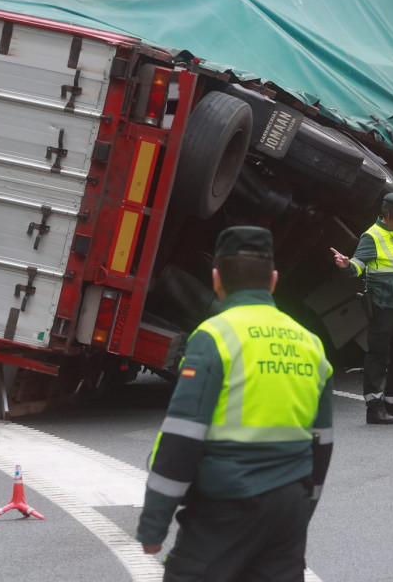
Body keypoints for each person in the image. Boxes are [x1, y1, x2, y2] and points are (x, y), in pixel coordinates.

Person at [136, 226, 334, 582]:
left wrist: (154, 524)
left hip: (225, 505)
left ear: (216, 279)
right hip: (288, 510)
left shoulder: (214, 337)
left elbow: (182, 436)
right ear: (273, 280)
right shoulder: (311, 344)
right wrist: (305, 506)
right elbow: (322, 443)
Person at [330, 191, 393, 425]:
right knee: (378, 355)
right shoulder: (372, 236)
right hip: (383, 305)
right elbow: (360, 264)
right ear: (389, 214)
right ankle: (374, 407)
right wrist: (347, 264)